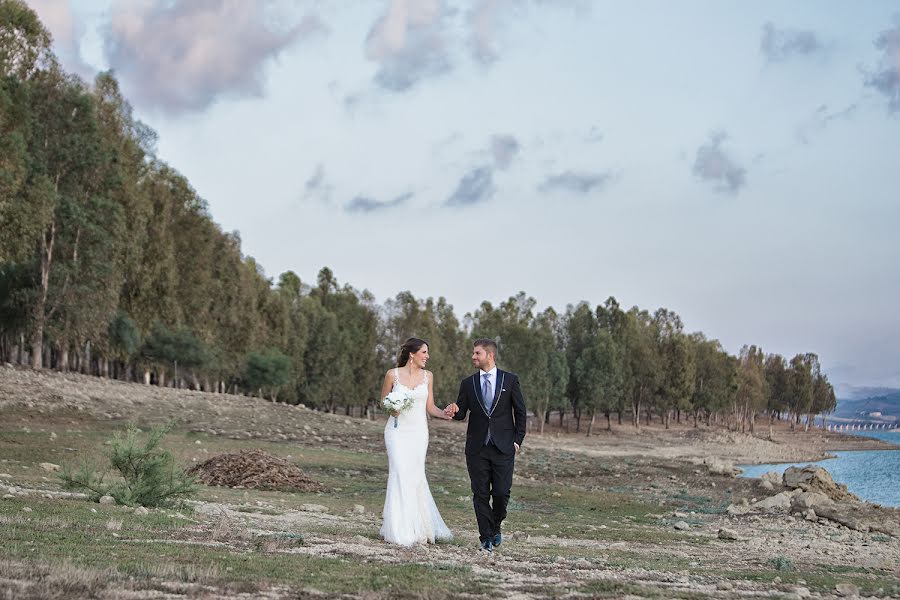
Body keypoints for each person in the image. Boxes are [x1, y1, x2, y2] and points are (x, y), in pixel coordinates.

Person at [444, 338, 526, 552]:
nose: (473, 357)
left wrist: (517, 441)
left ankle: (496, 526)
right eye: (473, 353)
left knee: (501, 493)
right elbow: (462, 413)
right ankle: (486, 538)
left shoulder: (510, 380)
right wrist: (454, 410)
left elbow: (520, 412)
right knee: (480, 493)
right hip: (476, 448)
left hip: (504, 447)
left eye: (477, 353)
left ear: (490, 355)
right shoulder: (468, 383)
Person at [379, 337, 454, 546]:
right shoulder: (392, 375)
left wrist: (444, 413)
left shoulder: (428, 377)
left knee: (415, 475)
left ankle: (418, 526)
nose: (427, 356)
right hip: (396, 432)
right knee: (399, 473)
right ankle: (399, 529)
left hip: (419, 434)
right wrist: (391, 408)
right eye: (424, 352)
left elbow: (430, 407)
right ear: (412, 354)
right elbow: (383, 400)